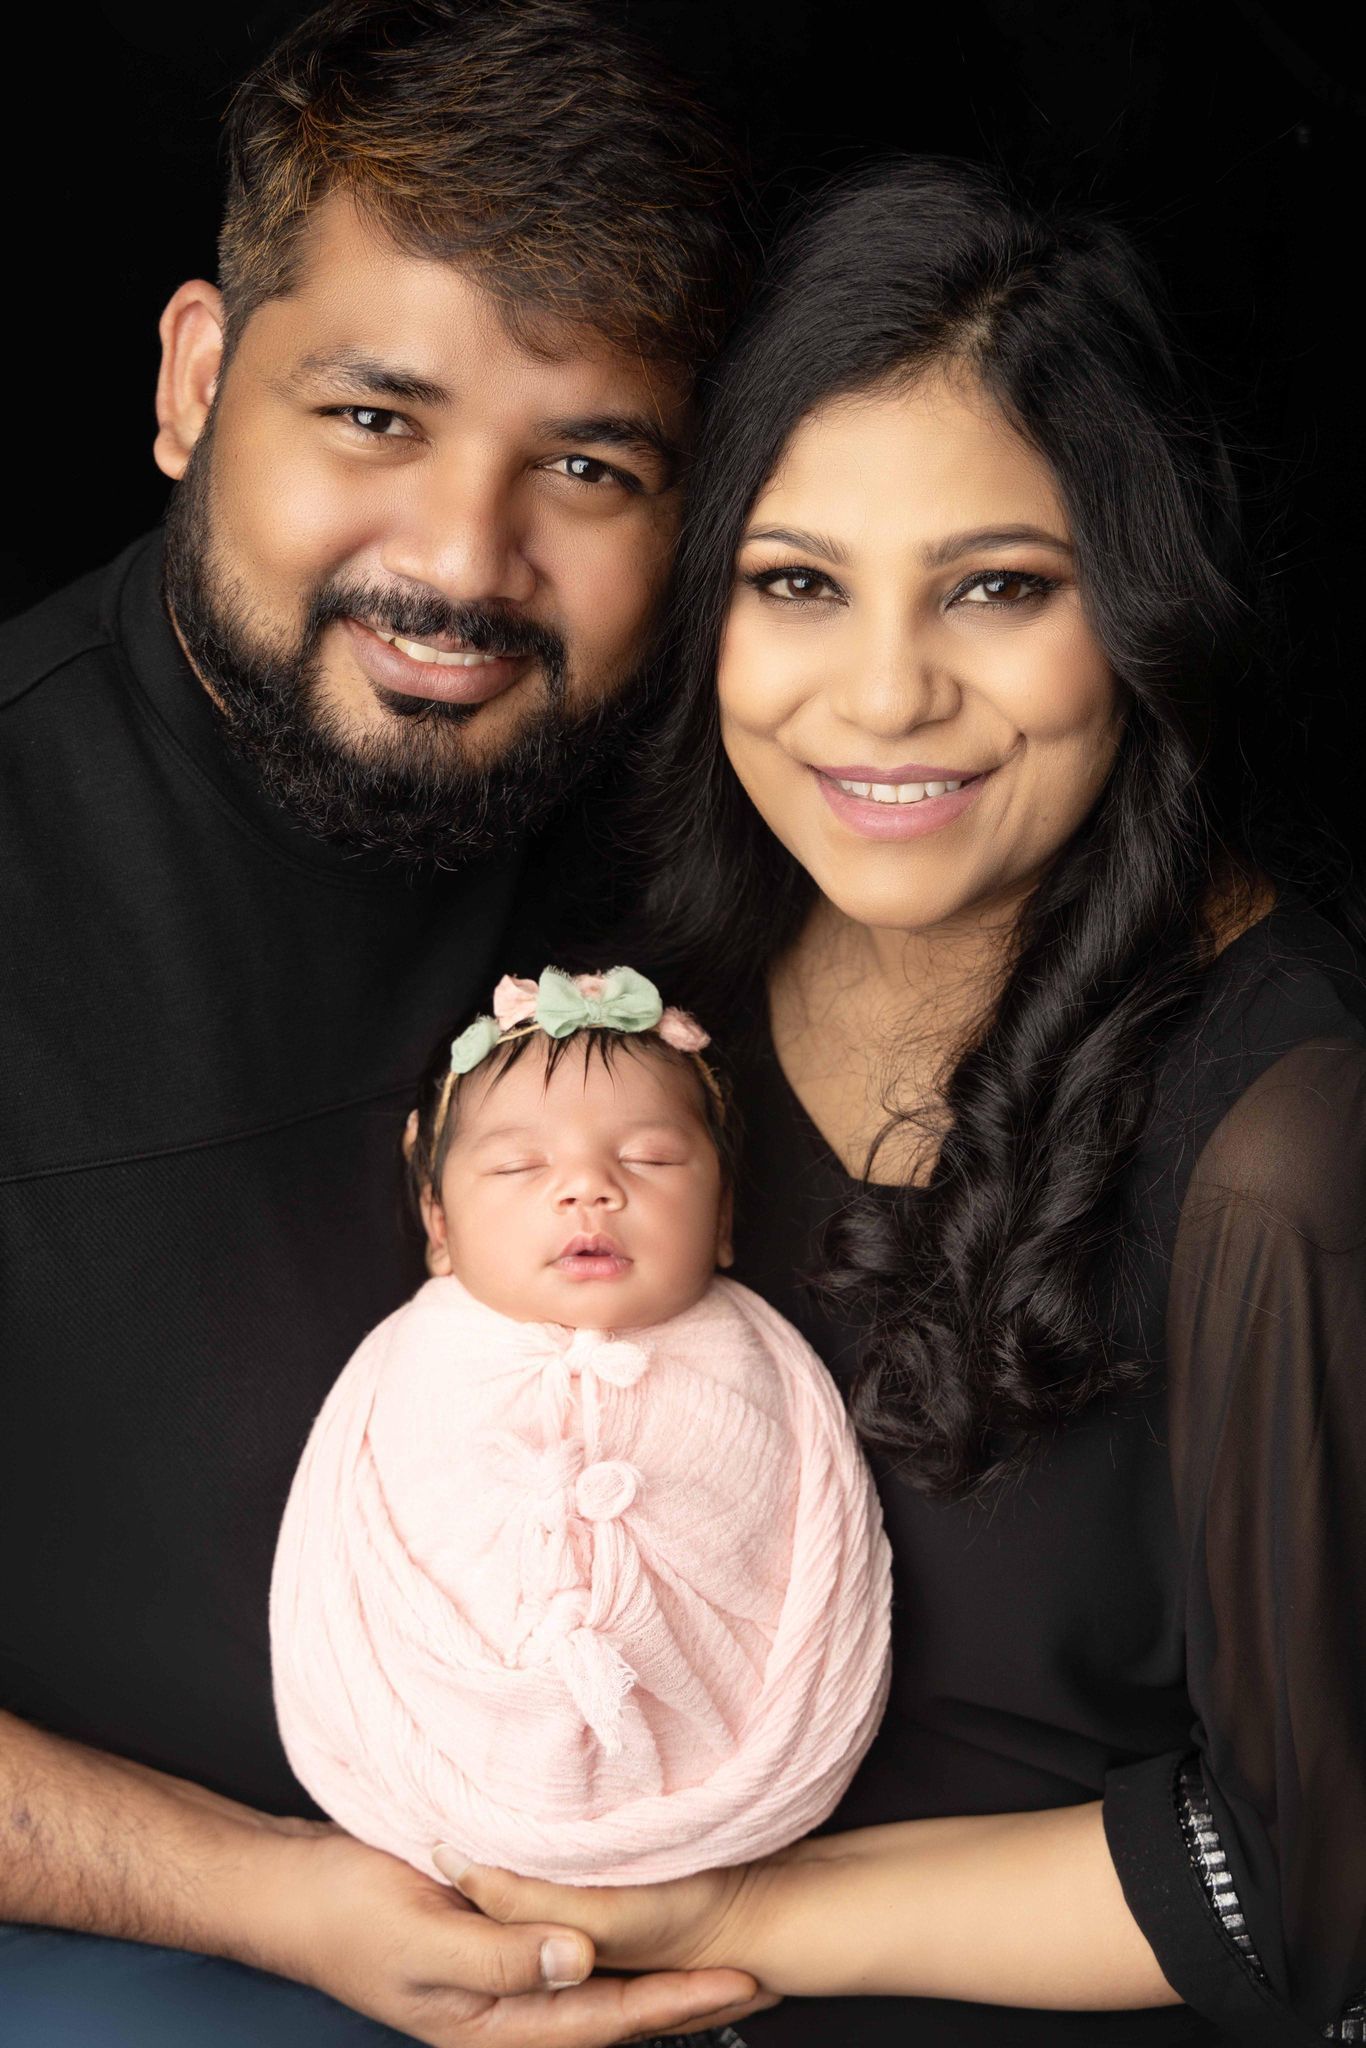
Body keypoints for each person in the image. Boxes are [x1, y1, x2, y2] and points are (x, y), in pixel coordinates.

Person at [439, 161, 1366, 2046]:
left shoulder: (1287, 1139)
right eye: (798, 584)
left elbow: (1306, 1896)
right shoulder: (638, 991)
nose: (880, 695)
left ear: (1140, 614)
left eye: (998, 589)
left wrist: (730, 1920)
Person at [0, 4, 768, 2044]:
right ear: (191, 381)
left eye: (585, 464)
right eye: (372, 417)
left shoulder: (728, 824)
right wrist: (256, 1901)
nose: (456, 561)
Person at [270, 966, 889, 1893]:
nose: (587, 1191)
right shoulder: (416, 1365)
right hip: (442, 1813)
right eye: (521, 1166)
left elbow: (786, 1546)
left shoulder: (753, 1366)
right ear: (437, 1223)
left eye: (648, 1160)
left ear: (723, 1216)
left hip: (730, 1824)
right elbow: (371, 1548)